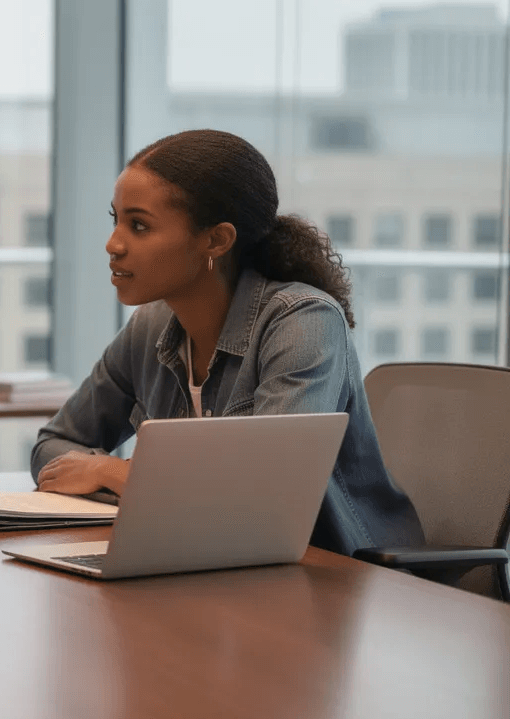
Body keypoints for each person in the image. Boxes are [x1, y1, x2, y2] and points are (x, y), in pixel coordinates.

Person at [32, 128, 424, 557]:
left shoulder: (304, 322)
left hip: (338, 573)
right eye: (116, 220)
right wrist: (131, 483)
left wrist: (114, 473)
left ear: (216, 240)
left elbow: (266, 495)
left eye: (139, 225)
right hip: (206, 559)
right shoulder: (150, 327)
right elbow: (53, 445)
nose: (113, 244)